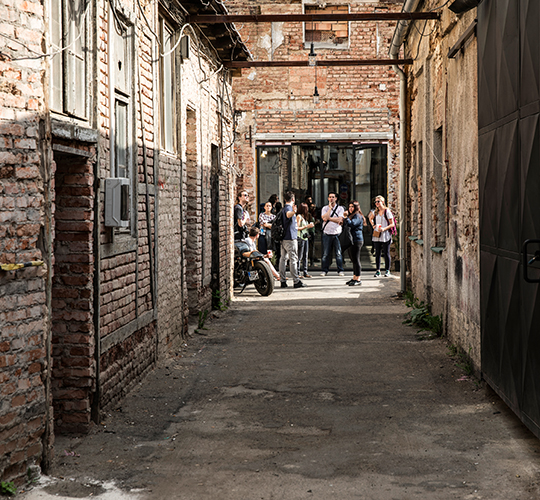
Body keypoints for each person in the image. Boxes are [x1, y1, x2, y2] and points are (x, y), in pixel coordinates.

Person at [279, 191, 306, 289]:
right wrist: (294, 212)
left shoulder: (284, 208)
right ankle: (296, 281)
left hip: (284, 238)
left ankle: (282, 281)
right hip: (290, 238)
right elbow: (288, 214)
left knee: (283, 259)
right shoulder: (288, 208)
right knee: (293, 259)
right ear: (293, 199)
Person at [368, 195, 395, 277]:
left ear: (382, 202)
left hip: (385, 235)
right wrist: (373, 225)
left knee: (386, 253)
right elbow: (370, 218)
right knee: (377, 253)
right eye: (375, 202)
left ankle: (387, 270)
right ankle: (378, 270)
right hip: (377, 234)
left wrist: (384, 228)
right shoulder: (375, 212)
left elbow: (392, 224)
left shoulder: (387, 211)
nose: (376, 203)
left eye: (378, 201)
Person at [320, 192, 345, 276]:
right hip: (327, 233)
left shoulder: (340, 208)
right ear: (328, 198)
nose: (331, 199)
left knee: (338, 253)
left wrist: (329, 218)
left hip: (337, 233)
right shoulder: (325, 208)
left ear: (336, 198)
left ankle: (340, 270)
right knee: (325, 254)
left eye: (333, 197)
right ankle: (324, 270)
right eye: (330, 197)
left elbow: (340, 220)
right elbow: (324, 218)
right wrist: (330, 209)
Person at [343, 201, 365, 286]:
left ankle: (358, 278)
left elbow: (352, 224)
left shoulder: (358, 216)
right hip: (351, 239)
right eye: (349, 206)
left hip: (357, 239)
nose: (350, 208)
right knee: (353, 259)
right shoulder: (351, 216)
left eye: (352, 207)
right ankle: (354, 277)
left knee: (356, 259)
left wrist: (346, 218)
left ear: (356, 207)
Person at [296, 203, 314, 278]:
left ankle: (305, 271)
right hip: (300, 237)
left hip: (305, 238)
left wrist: (309, 226)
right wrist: (306, 226)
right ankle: (297, 272)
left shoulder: (305, 217)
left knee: (305, 255)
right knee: (299, 256)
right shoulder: (299, 216)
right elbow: (297, 228)